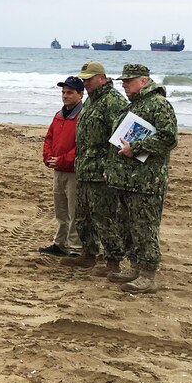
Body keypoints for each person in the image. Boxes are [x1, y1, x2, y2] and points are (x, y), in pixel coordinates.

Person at [104, 64, 178, 293]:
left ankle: (147, 274)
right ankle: (134, 266)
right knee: (126, 225)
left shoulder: (158, 104)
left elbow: (169, 139)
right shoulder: (133, 105)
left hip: (147, 181)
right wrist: (112, 167)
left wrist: (136, 148)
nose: (124, 85)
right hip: (126, 179)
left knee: (145, 227)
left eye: (128, 80)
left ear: (144, 81)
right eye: (123, 81)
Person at [63, 61, 128, 276]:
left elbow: (119, 138)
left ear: (102, 77)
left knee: (104, 217)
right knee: (83, 216)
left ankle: (112, 262)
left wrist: (111, 166)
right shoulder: (91, 101)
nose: (85, 82)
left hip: (101, 170)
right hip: (84, 168)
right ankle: (88, 254)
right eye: (84, 79)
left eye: (89, 79)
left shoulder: (113, 101)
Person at [39, 76, 84, 257]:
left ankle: (75, 247)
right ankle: (61, 243)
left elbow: (83, 145)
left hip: (73, 171)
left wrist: (64, 159)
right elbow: (49, 137)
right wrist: (48, 157)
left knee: (74, 211)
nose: (65, 96)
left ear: (80, 94)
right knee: (61, 209)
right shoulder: (59, 115)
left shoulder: (83, 116)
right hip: (58, 169)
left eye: (70, 92)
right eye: (63, 92)